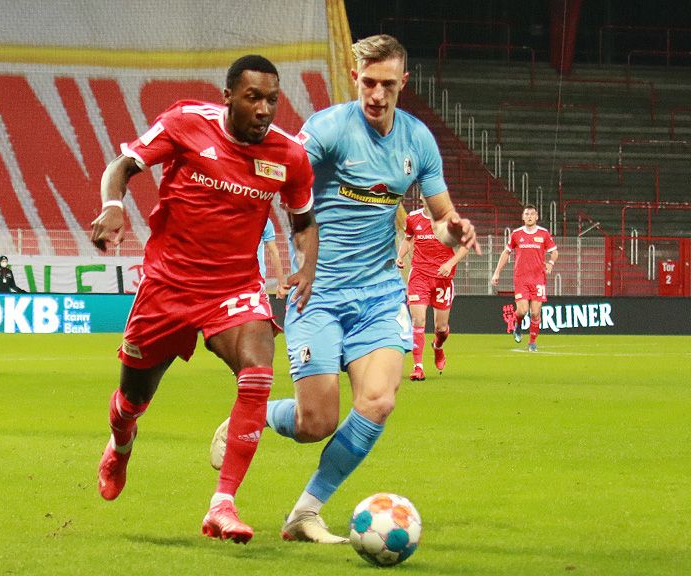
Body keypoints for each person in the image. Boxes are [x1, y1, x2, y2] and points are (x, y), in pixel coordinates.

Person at [211, 35, 477, 544]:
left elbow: (442, 218)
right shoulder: (328, 130)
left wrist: (455, 229)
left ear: (404, 83)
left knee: (378, 401)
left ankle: (304, 513)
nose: (377, 94)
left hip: (379, 294)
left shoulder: (418, 140)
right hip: (319, 293)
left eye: (388, 84)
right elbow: (283, 177)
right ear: (356, 78)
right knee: (315, 422)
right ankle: (255, 415)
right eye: (368, 82)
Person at [89, 55, 318, 544]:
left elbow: (302, 222)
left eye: (272, 99)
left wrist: (307, 266)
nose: (264, 109)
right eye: (253, 98)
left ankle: (223, 503)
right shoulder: (186, 122)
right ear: (228, 96)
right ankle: (121, 443)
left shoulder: (290, 155)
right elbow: (123, 166)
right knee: (132, 401)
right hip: (167, 285)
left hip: (233, 287)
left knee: (258, 371)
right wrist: (112, 207)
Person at [395, 206, 469, 381]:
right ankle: (418, 367)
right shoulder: (413, 218)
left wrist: (450, 263)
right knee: (418, 320)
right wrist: (400, 256)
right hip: (419, 276)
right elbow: (407, 239)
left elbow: (466, 245)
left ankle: (437, 345)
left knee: (441, 328)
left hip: (443, 279)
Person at [491, 204, 558, 352]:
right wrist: (497, 272)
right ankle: (518, 324)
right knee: (522, 310)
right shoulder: (516, 234)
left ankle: (532, 342)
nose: (529, 216)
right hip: (521, 278)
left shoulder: (544, 233)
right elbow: (506, 253)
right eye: (527, 214)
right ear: (523, 217)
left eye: (532, 214)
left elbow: (554, 252)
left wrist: (551, 263)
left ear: (537, 217)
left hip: (538, 279)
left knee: (535, 312)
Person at [258, 219, 288, 298]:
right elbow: (274, 252)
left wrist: (281, 283)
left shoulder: (264, 220)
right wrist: (281, 284)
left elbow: (274, 252)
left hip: (256, 279)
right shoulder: (264, 220)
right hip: (255, 279)